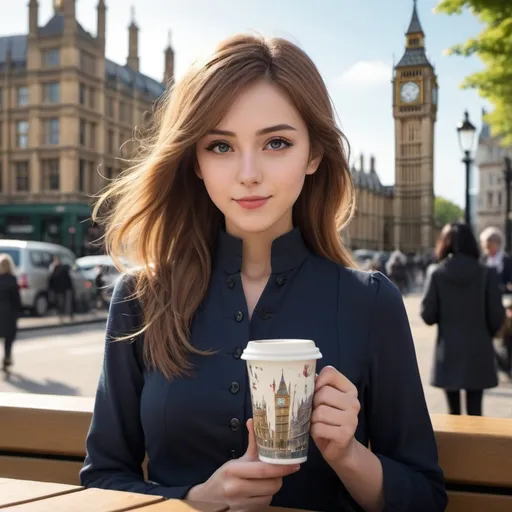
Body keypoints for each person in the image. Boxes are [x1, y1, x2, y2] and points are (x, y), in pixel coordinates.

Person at [80, 35, 447, 512]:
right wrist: (194, 500)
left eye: (276, 142)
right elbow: (103, 479)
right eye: (220, 146)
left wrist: (349, 455)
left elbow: (425, 497)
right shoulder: (141, 298)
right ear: (195, 160)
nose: (248, 173)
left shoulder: (370, 302)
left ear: (314, 153)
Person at [421, 222, 504, 416]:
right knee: (476, 413)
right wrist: (487, 333)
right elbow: (496, 316)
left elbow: (428, 315)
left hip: (448, 351)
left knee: (453, 414)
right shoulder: (486, 273)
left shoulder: (437, 272)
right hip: (479, 351)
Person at [0, 253, 22, 372]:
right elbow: (16, 299)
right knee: (9, 339)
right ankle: (7, 356)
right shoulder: (12, 280)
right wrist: (19, 312)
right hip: (9, 314)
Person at [48, 256, 74, 322]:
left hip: (64, 289)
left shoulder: (62, 269)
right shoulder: (54, 269)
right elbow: (51, 280)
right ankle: (61, 317)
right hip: (58, 290)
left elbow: (68, 280)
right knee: (60, 304)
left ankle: (67, 316)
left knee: (65, 304)